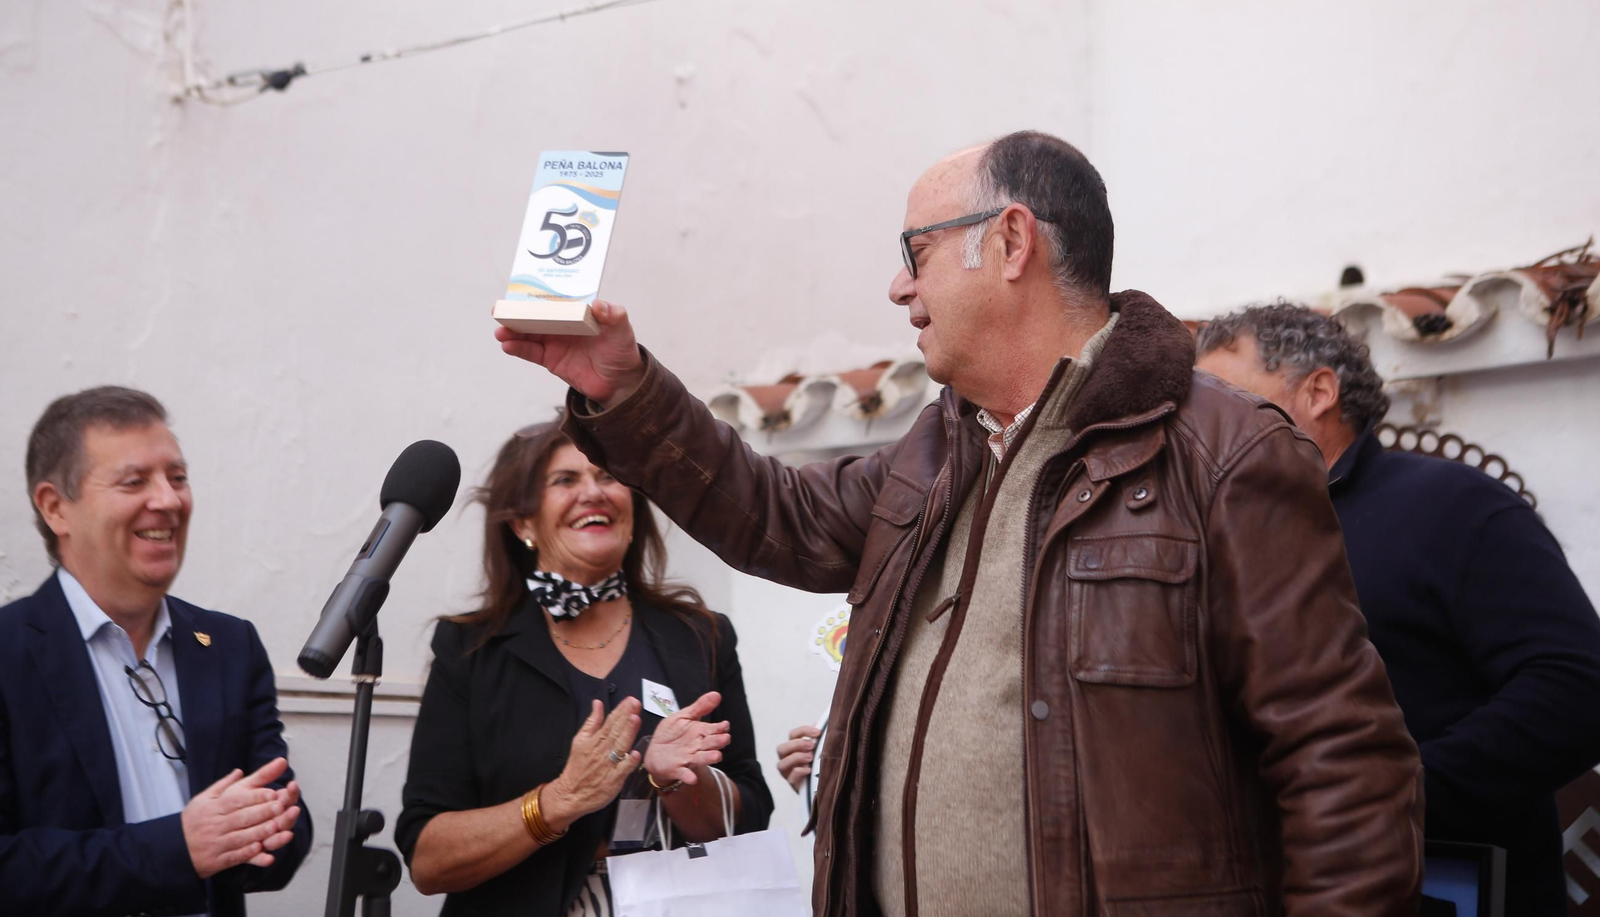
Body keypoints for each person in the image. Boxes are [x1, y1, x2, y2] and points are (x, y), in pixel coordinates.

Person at [496, 130, 1425, 916]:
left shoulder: (1223, 455)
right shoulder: (934, 456)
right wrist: (622, 391)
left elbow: (1344, 766)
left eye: (917, 252)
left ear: (1012, 241)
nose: (899, 289)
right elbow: (774, 516)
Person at [1196, 302, 1600, 916]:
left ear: (1320, 391)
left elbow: (1577, 689)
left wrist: (1391, 792)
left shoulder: (1456, 507)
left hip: (1455, 885)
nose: (1205, 421)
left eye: (1225, 394)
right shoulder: (1215, 534)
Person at [396, 420, 773, 916]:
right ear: (522, 523)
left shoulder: (702, 636)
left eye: (609, 476)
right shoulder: (470, 650)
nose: (593, 493)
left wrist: (678, 780)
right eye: (565, 480)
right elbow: (427, 859)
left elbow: (750, 816)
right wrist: (556, 802)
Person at [0, 386, 311, 916]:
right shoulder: (9, 654)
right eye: (134, 482)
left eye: (178, 478)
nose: (168, 500)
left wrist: (260, 832)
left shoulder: (229, 647)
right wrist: (179, 849)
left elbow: (286, 817)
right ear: (56, 508)